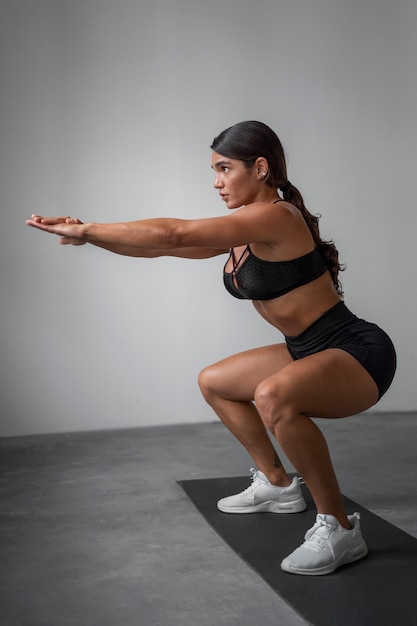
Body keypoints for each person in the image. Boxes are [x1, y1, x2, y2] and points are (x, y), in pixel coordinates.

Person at [26, 120, 396, 576]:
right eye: (214, 170)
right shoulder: (242, 231)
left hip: (357, 352)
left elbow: (174, 234)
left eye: (224, 168)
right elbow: (161, 249)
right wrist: (90, 234)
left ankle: (340, 528)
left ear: (260, 168)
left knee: (272, 396)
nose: (216, 181)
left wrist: (90, 229)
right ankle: (279, 485)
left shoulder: (277, 216)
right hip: (308, 348)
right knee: (216, 382)